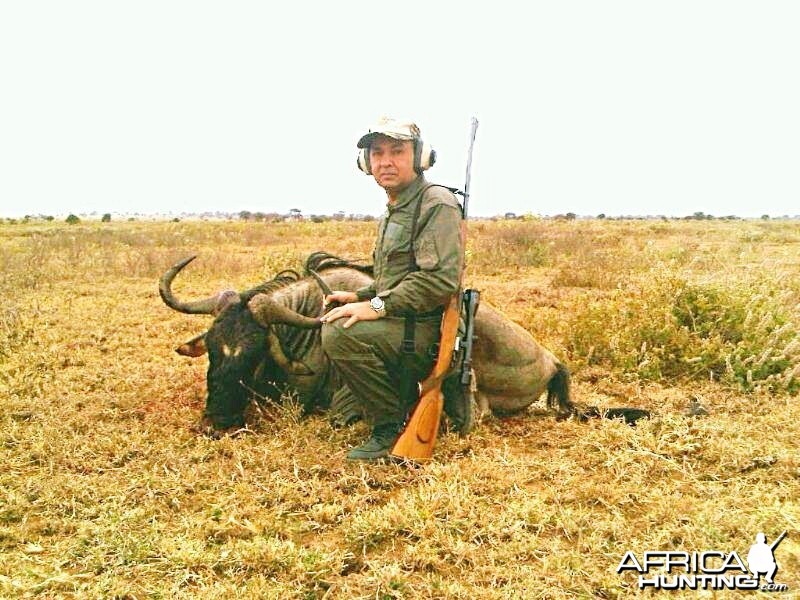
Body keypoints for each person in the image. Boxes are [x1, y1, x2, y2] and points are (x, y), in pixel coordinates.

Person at [320, 117, 464, 461]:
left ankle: (390, 427)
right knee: (334, 315)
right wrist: (360, 297)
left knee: (340, 334)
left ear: (420, 158)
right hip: (404, 322)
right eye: (377, 153)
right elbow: (396, 277)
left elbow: (439, 281)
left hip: (423, 332)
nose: (385, 161)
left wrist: (378, 307)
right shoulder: (395, 206)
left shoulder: (436, 203)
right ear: (365, 164)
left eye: (397, 151)